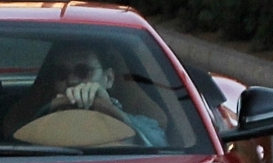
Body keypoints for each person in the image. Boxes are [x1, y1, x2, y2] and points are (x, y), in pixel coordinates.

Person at [12, 42, 173, 145]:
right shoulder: (38, 121)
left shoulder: (138, 121)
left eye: (83, 71)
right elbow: (13, 142)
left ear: (108, 78)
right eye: (62, 73)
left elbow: (160, 144)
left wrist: (109, 108)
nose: (72, 81)